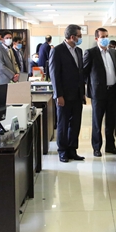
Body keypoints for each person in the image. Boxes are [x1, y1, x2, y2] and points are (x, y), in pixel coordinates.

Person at [49, 25, 85, 163]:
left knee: (75, 124)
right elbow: (54, 75)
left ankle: (72, 150)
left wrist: (82, 93)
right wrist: (59, 95)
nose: (80, 38)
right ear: (72, 37)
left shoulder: (79, 51)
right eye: (79, 36)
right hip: (63, 95)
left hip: (77, 94)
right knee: (63, 124)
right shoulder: (57, 51)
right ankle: (63, 151)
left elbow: (80, 73)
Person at [84, 28, 116, 157]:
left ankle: (110, 146)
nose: (105, 39)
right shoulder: (91, 53)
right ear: (96, 39)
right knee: (97, 122)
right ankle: (96, 148)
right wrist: (91, 85)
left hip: (112, 91)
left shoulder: (113, 53)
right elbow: (84, 72)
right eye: (102, 36)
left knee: (111, 121)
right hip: (98, 93)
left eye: (107, 36)